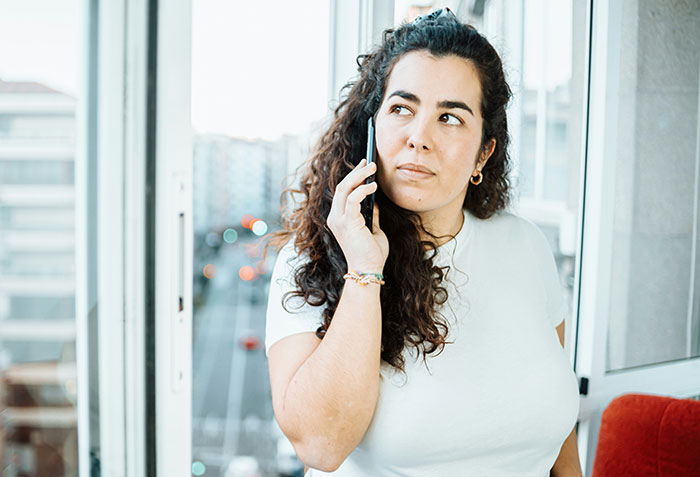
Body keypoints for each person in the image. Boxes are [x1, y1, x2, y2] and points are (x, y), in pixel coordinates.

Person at [263, 8, 582, 477]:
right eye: (401, 109)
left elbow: (558, 432)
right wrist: (364, 271)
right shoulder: (310, 260)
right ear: (371, 131)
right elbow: (320, 445)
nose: (419, 138)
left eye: (450, 117)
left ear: (484, 152)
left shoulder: (526, 247)